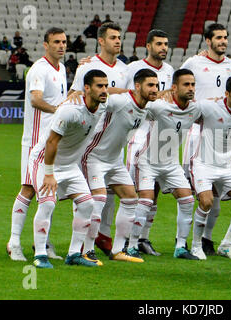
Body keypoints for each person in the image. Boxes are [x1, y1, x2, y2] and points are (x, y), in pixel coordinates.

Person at [29, 69, 109, 268]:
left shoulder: (102, 107)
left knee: (87, 204)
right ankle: (40, 255)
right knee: (47, 204)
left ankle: (74, 254)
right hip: (45, 161)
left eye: (106, 85)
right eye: (100, 86)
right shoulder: (70, 110)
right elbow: (51, 142)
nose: (104, 90)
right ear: (87, 88)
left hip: (70, 165)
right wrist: (48, 174)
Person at [78, 68, 159, 263]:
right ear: (137, 86)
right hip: (94, 156)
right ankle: (86, 250)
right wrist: (77, 97)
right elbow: (96, 100)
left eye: (156, 85)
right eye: (150, 85)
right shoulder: (121, 101)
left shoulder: (147, 107)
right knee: (98, 200)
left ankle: (118, 250)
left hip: (114, 161)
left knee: (130, 198)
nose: (155, 89)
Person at [68, 21, 130, 258]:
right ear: (101, 40)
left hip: (115, 141)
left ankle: (104, 237)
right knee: (92, 195)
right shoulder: (88, 67)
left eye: (119, 37)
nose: (118, 41)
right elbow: (75, 95)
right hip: (92, 141)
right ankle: (82, 244)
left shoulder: (125, 69)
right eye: (113, 37)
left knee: (111, 195)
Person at [128, 69, 202, 261]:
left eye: (193, 84)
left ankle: (180, 247)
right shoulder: (159, 106)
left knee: (187, 200)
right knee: (146, 200)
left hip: (170, 164)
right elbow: (136, 105)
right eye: (186, 84)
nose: (191, 88)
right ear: (174, 88)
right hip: (148, 161)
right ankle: (132, 244)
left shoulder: (195, 109)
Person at [6, 27, 67, 261]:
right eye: (56, 42)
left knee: (49, 191)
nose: (61, 46)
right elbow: (36, 99)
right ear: (46, 45)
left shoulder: (61, 68)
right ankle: (14, 242)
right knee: (29, 189)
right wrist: (58, 110)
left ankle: (42, 242)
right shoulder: (38, 69)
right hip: (34, 141)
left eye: (63, 42)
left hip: (52, 139)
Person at [181, 23, 231, 256]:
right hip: (197, 132)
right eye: (219, 38)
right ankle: (182, 239)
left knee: (214, 192)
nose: (223, 41)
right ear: (208, 40)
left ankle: (206, 239)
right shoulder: (193, 64)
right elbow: (179, 87)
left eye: (225, 38)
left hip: (222, 136)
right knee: (188, 191)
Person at [189, 75, 231, 260]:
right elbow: (186, 113)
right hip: (204, 164)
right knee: (207, 201)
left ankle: (226, 245)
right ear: (226, 94)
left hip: (227, 168)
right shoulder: (209, 107)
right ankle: (195, 246)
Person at [124, 29, 175, 257]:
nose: (163, 48)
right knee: (134, 192)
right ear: (148, 46)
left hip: (161, 137)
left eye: (166, 44)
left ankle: (143, 237)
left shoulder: (170, 70)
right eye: (159, 44)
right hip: (138, 134)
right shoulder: (133, 68)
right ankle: (126, 239)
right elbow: (124, 93)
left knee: (152, 191)